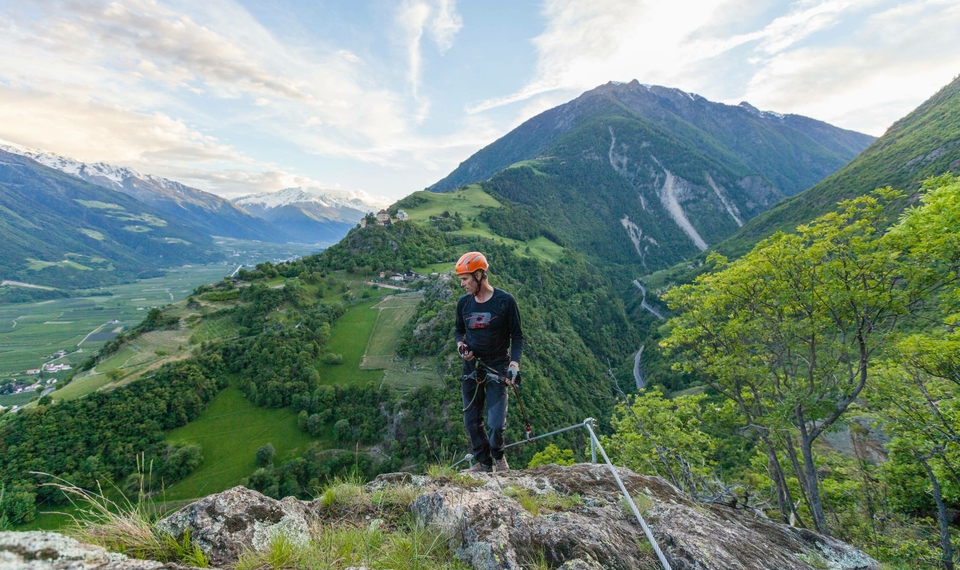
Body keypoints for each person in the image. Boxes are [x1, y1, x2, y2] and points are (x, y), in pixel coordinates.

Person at [454, 251, 523, 473]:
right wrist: (461, 347)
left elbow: (517, 336)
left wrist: (514, 364)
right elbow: (458, 331)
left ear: (479, 275)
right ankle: (483, 463)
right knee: (471, 421)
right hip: (471, 367)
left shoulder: (505, 301)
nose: (463, 284)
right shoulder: (463, 304)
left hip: (498, 366)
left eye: (465, 279)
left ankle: (498, 457)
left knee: (496, 424)